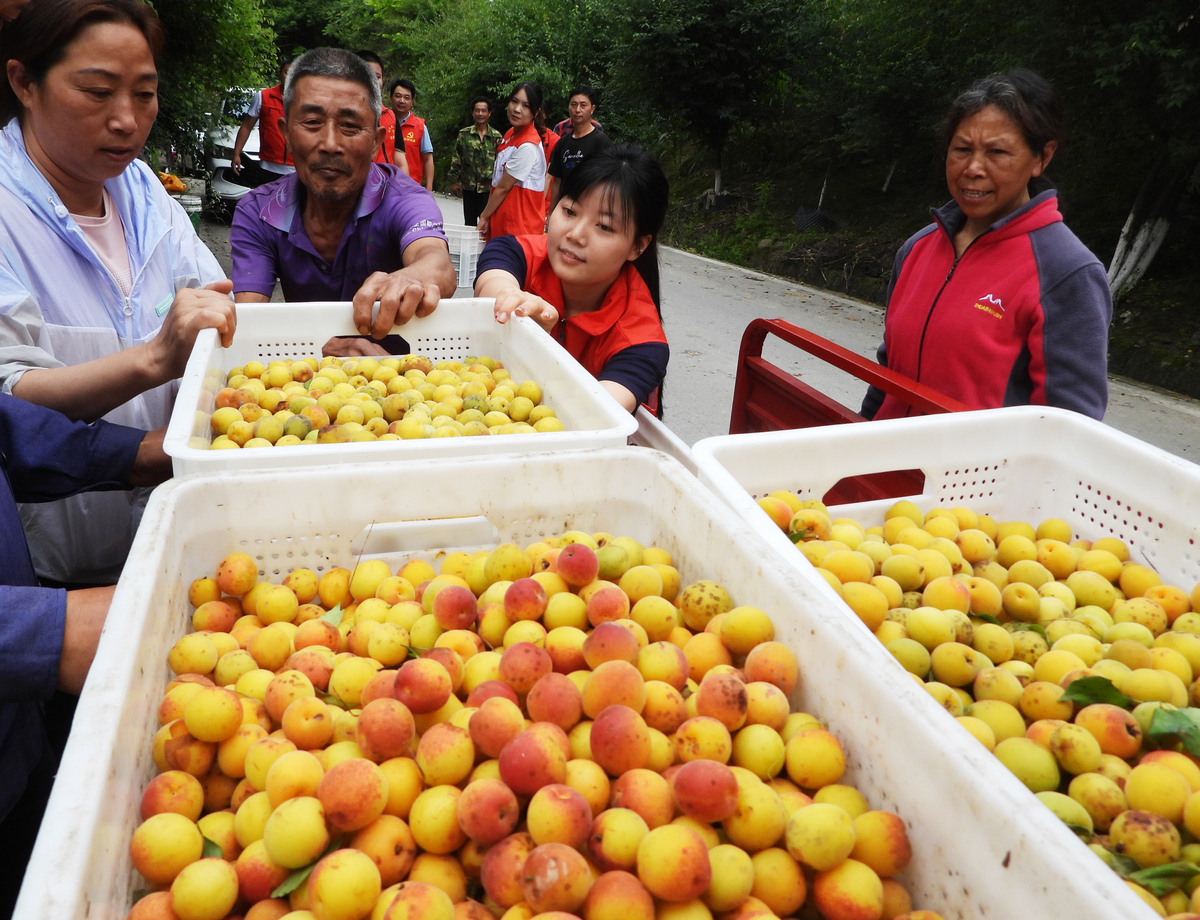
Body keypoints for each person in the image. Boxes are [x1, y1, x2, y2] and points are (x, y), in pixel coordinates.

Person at [0, 0, 236, 585]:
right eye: (98, 91)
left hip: (171, 547)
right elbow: (10, 402)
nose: (127, 120)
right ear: (24, 82)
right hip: (55, 569)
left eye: (144, 94)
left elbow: (211, 306)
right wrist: (154, 358)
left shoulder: (147, 196)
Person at [861, 69, 1112, 421]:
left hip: (973, 476)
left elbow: (1069, 425)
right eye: (962, 149)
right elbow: (889, 373)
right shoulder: (918, 248)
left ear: (1042, 157)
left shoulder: (1066, 271)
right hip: (884, 470)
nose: (973, 168)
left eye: (997, 152)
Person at [230, 47, 455, 351]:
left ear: (377, 142)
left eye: (349, 126)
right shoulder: (258, 212)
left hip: (403, 384)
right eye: (312, 122)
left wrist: (409, 278)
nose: (330, 144)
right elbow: (249, 323)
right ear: (286, 134)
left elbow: (437, 263)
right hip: (306, 384)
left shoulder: (402, 199)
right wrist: (320, 347)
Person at [475, 145, 669, 413]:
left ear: (638, 246)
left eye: (604, 226)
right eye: (570, 211)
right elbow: (494, 276)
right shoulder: (522, 255)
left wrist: (537, 350)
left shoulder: (642, 343)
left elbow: (593, 414)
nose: (576, 234)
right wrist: (510, 300)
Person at [477, 81, 549, 242]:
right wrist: (490, 217)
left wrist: (484, 216)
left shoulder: (528, 146)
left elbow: (503, 187)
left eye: (525, 105)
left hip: (519, 230)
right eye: (514, 101)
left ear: (535, 112)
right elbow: (497, 183)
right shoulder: (511, 134)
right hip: (503, 223)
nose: (517, 109)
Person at [231, 58, 295, 186]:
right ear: (279, 73)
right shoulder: (263, 97)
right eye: (287, 72)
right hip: (268, 166)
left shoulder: (306, 101)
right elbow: (246, 126)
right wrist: (237, 153)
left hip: (296, 167)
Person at [548, 86, 612, 209]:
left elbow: (608, 181)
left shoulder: (601, 141)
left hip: (590, 207)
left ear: (592, 109)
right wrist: (551, 212)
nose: (578, 110)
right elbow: (557, 180)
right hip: (566, 206)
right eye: (574, 104)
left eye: (583, 105)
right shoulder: (562, 142)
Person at [448, 96, 502, 227]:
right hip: (469, 187)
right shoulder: (464, 134)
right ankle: (469, 248)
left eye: (483, 111)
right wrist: (455, 182)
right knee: (470, 224)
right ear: (473, 112)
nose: (480, 114)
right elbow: (457, 158)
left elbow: (501, 164)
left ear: (489, 113)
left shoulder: (496, 137)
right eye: (477, 110)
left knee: (487, 224)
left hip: (488, 189)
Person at [358, 50, 404, 172]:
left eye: (378, 77)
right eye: (368, 75)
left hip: (385, 186)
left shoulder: (391, 116)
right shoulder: (341, 114)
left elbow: (400, 161)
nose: (374, 81)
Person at [389, 77, 433, 191]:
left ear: (412, 102)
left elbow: (428, 159)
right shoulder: (381, 122)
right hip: (383, 187)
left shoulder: (420, 127)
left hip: (411, 188)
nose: (402, 101)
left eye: (406, 97)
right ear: (390, 98)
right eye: (398, 96)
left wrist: (428, 189)